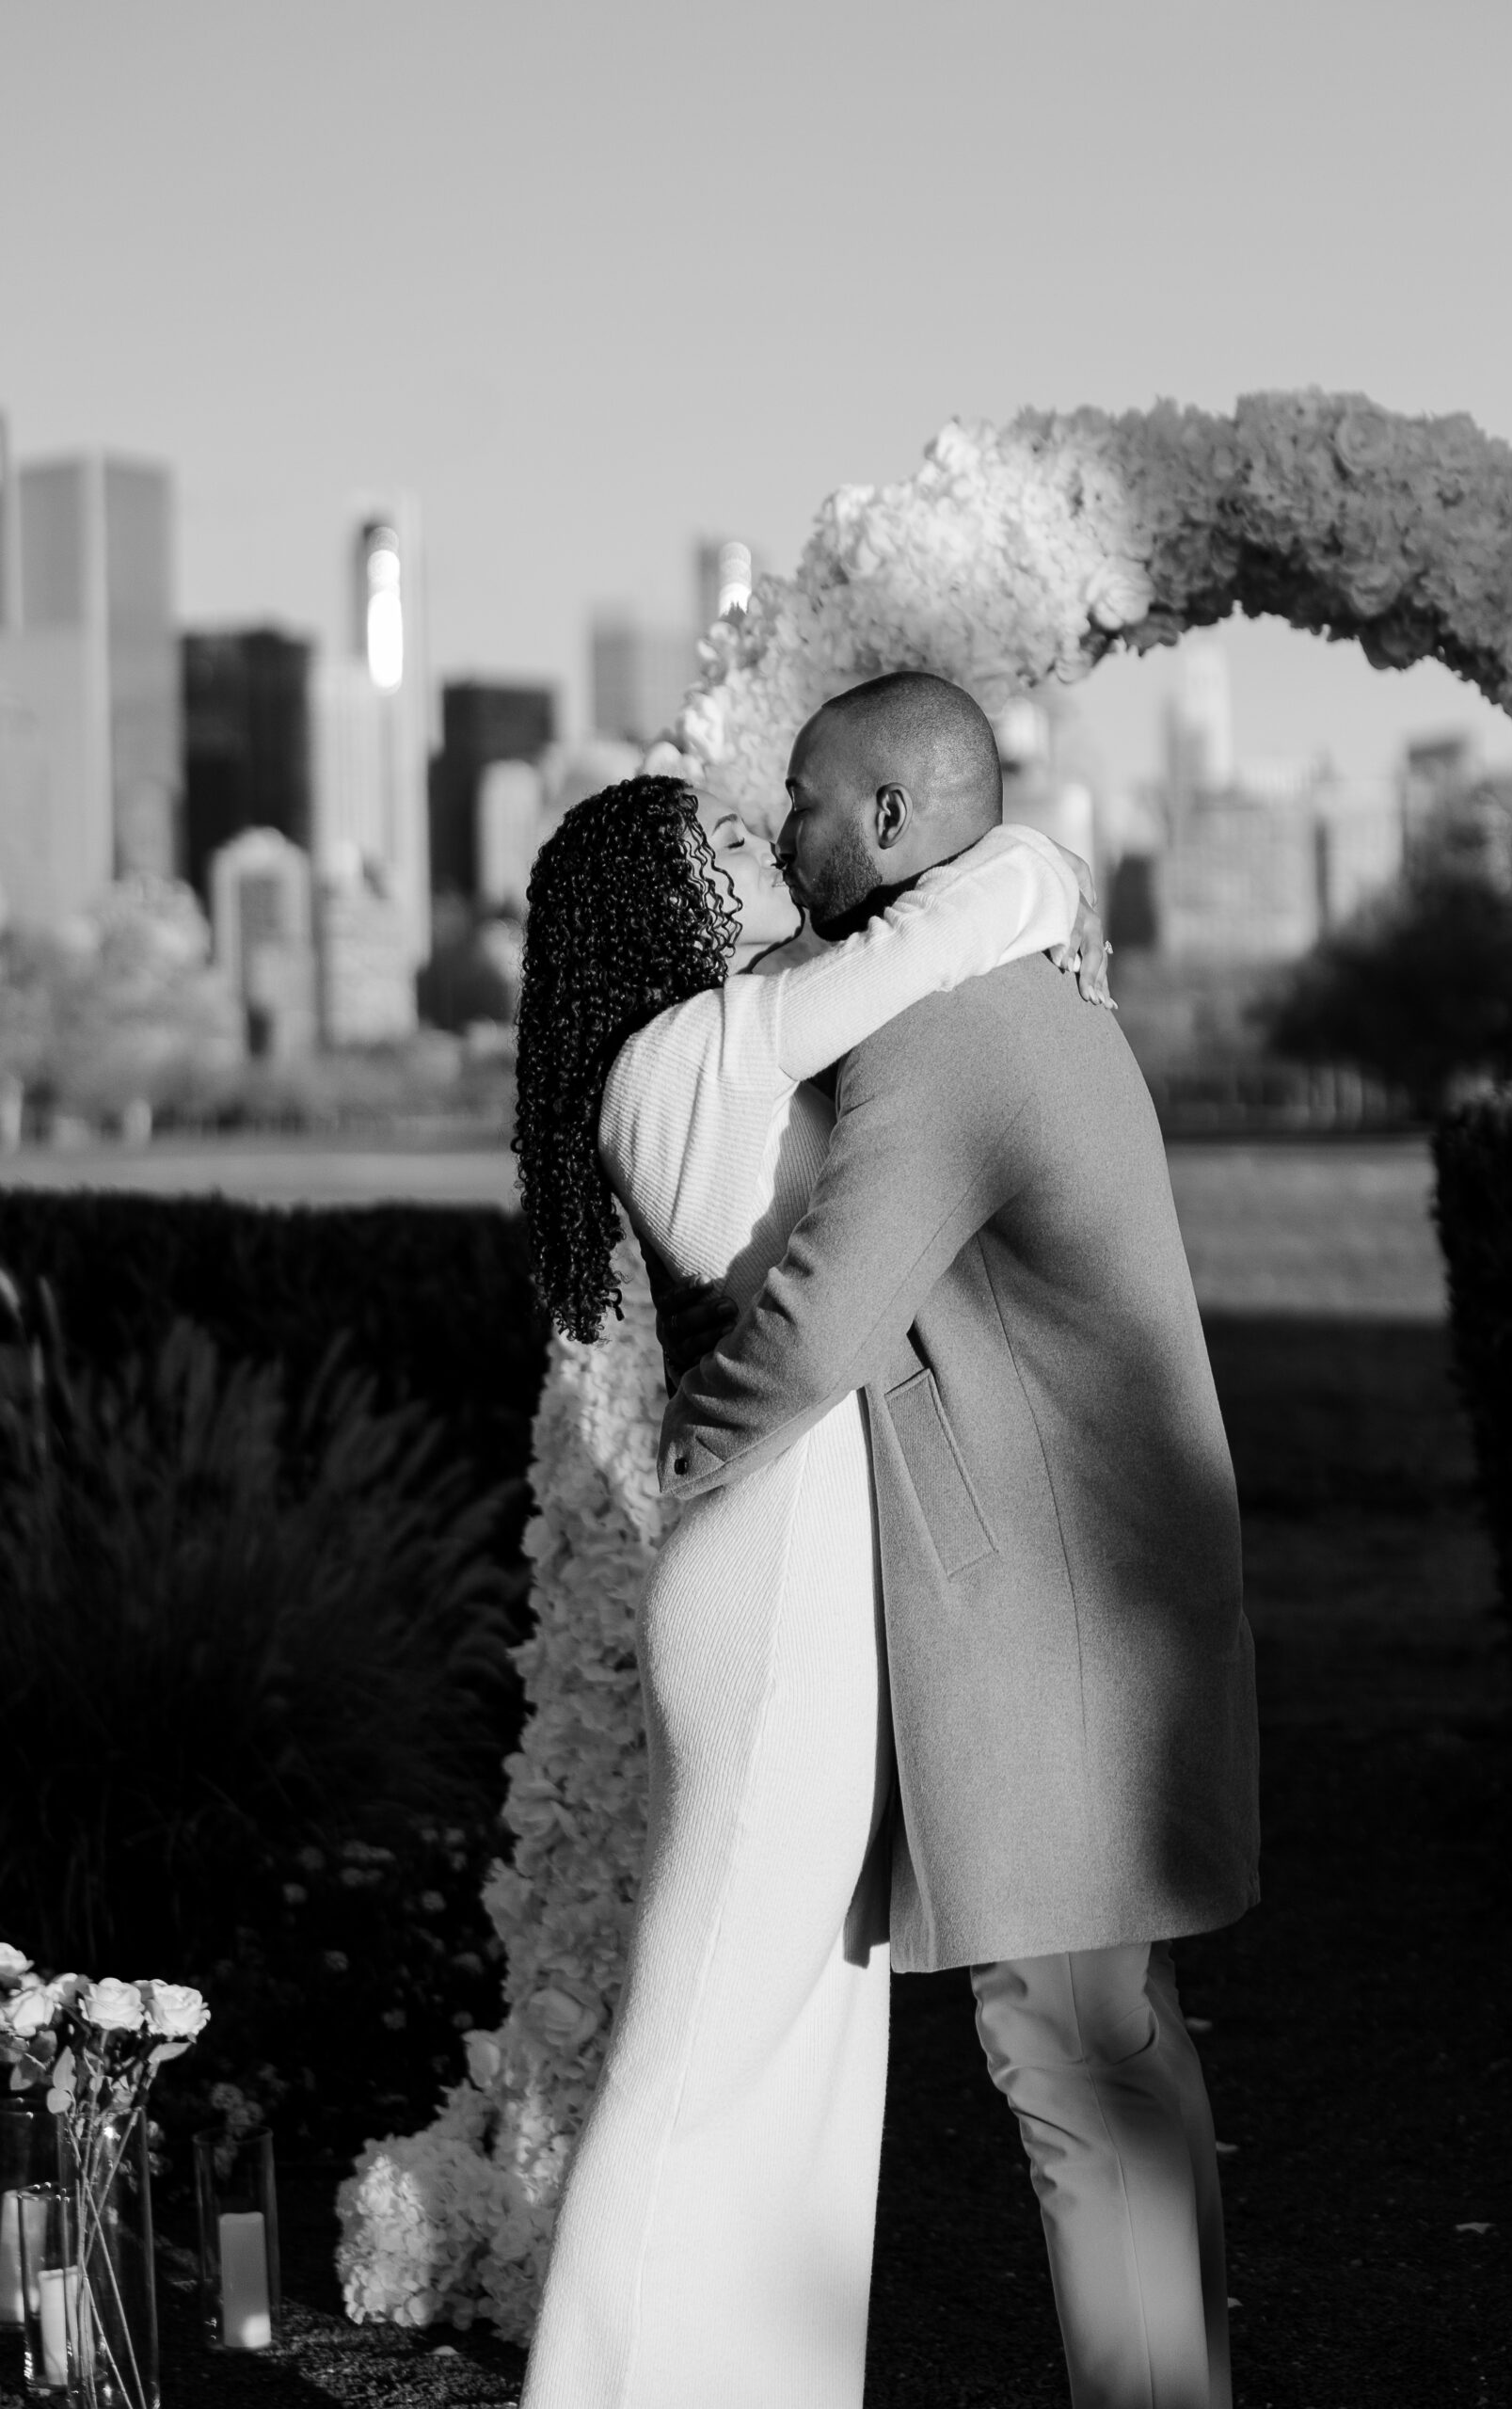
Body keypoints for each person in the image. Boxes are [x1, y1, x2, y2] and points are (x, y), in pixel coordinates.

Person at [660, 670, 1261, 2409]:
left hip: (1063, 1621)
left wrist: (680, 1450)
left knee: (1069, 2057)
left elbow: (827, 1318)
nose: (784, 834)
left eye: (807, 802)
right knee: (1108, 2052)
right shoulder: (991, 979)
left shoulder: (949, 1033)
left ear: (899, 824)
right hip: (1095, 1597)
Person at [511, 766, 1105, 2409]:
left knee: (811, 2025)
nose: (757, 843)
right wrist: (1047, 866)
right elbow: (955, 927)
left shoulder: (724, 1031)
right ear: (660, 903)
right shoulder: (694, 1049)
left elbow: (937, 951)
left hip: (798, 1548)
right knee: (710, 2023)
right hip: (772, 1569)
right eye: (718, 837)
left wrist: (1039, 893)